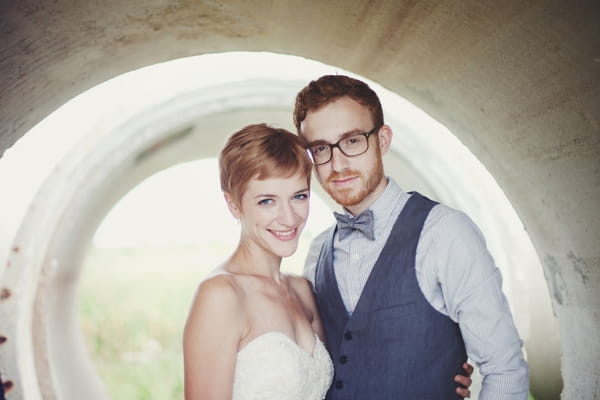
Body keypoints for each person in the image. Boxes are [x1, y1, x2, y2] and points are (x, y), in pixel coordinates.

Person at [293, 75, 529, 399]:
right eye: (321, 148)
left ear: (383, 139)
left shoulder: (446, 233)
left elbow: (505, 370)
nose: (338, 163)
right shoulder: (317, 251)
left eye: (352, 141)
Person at [183, 124, 333, 400]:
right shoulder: (222, 295)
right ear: (233, 205)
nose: (289, 218)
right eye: (267, 201)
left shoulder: (301, 290)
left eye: (299, 196)